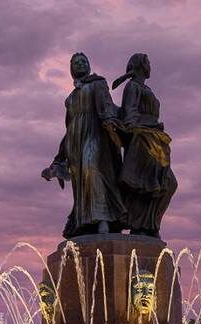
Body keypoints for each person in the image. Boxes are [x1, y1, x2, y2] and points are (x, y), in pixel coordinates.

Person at [42, 52, 125, 238]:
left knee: (91, 169)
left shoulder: (98, 83)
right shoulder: (71, 97)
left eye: (83, 61)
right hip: (74, 142)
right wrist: (58, 160)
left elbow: (106, 108)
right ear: (71, 70)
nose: (80, 64)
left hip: (94, 135)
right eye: (76, 63)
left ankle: (104, 219)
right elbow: (69, 127)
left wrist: (113, 123)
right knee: (80, 182)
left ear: (89, 65)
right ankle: (86, 224)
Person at [111, 53, 177, 237]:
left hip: (156, 139)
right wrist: (134, 131)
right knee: (147, 185)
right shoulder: (132, 87)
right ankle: (142, 226)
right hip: (143, 140)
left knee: (165, 184)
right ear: (140, 65)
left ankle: (148, 226)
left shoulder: (144, 88)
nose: (150, 65)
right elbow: (129, 113)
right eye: (148, 62)